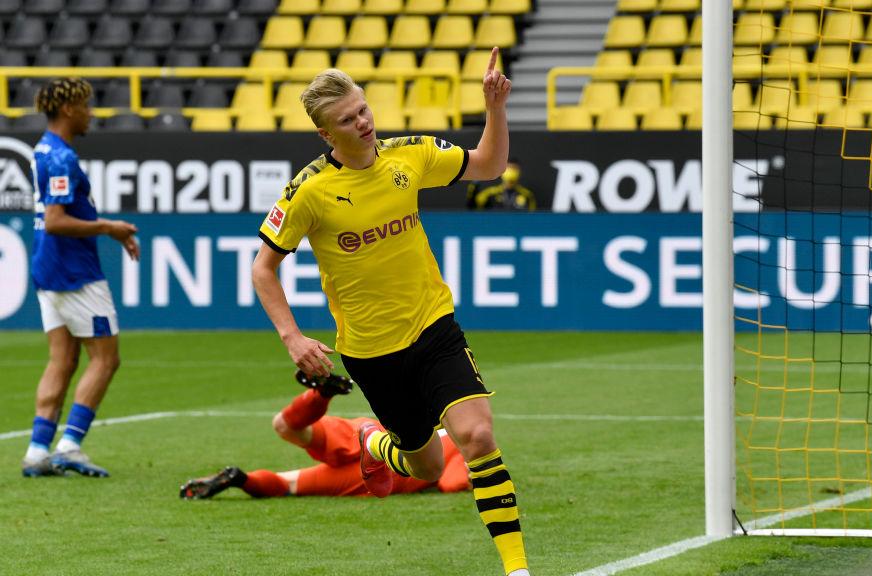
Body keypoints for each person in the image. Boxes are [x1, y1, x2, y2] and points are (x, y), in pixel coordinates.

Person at [251, 47, 529, 576]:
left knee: (478, 437)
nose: (363, 122)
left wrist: (495, 108)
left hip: (434, 327)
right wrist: (293, 337)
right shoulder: (309, 191)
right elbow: (263, 269)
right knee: (426, 469)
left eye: (363, 109)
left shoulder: (410, 155)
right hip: (372, 353)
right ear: (326, 135)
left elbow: (489, 165)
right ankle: (374, 442)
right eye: (347, 120)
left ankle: (517, 569)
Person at [21, 77, 140, 478]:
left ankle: (37, 451)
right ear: (68, 109)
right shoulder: (60, 158)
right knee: (106, 359)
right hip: (74, 272)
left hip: (47, 267)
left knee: (63, 359)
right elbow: (56, 221)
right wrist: (108, 227)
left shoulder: (44, 149)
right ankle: (69, 445)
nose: (91, 114)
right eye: (86, 106)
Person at [179, 371, 470, 500]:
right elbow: (451, 483)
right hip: (379, 472)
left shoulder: (441, 431)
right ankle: (242, 479)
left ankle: (320, 395)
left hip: (367, 432)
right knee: (289, 485)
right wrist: (474, 476)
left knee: (284, 426)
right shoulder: (463, 447)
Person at [469, 159, 536, 211]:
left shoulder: (527, 196)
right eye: (508, 168)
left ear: (519, 172)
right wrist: (474, 185)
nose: (511, 171)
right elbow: (473, 207)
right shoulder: (490, 195)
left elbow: (532, 218)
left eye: (514, 168)